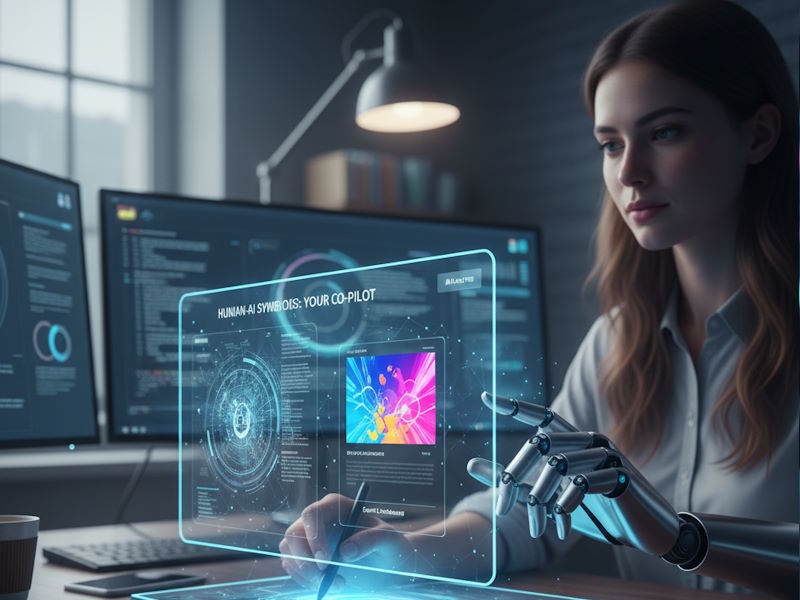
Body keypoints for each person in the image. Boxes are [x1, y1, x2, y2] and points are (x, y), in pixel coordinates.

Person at [279, 0, 799, 595]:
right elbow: (523, 516)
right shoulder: (618, 343)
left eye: (665, 132)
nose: (629, 172)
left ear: (759, 134)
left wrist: (678, 537)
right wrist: (399, 548)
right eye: (611, 145)